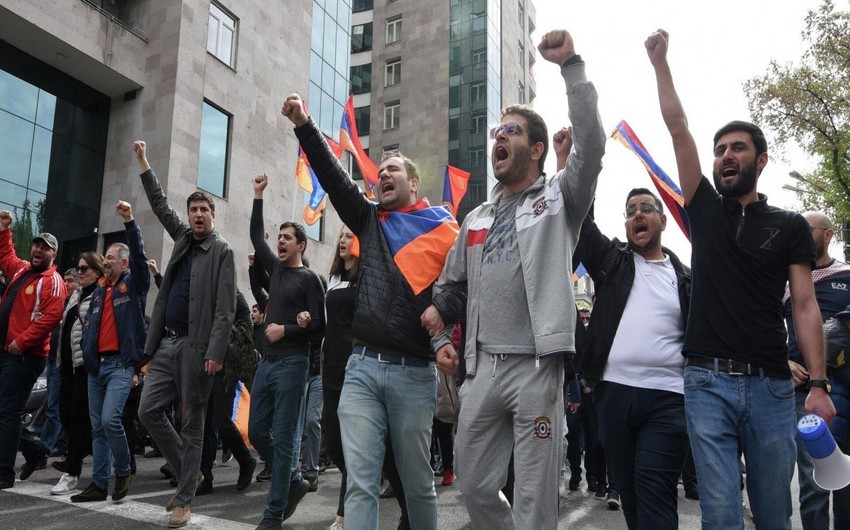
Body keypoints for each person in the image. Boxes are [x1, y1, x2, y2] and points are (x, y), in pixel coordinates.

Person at [646, 29, 836, 529]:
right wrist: (660, 63)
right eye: (720, 150)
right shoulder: (703, 209)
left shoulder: (791, 225)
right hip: (706, 381)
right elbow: (677, 126)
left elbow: (805, 306)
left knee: (775, 512)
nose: (726, 156)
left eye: (737, 148)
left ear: (761, 159)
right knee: (722, 514)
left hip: (773, 388)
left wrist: (818, 384)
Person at [423, 28, 606, 529]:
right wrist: (439, 329)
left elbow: (590, 144)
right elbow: (450, 288)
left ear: (538, 149)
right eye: (496, 133)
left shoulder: (560, 201)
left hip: (537, 369)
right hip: (482, 371)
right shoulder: (476, 217)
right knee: (475, 485)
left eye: (511, 131)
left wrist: (572, 67)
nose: (498, 137)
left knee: (534, 495)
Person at [284, 93, 459, 530]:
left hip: (413, 373)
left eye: (392, 169)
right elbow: (335, 177)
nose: (382, 175)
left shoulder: (445, 230)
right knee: (360, 481)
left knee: (417, 483)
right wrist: (304, 125)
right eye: (379, 172)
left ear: (413, 183)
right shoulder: (369, 220)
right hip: (362, 369)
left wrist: (443, 307)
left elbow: (463, 288)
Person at [573, 185, 691, 529]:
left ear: (663, 221)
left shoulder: (684, 279)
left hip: (668, 400)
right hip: (615, 397)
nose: (637, 214)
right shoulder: (612, 262)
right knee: (631, 494)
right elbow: (581, 222)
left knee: (655, 490)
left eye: (646, 208)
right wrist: (572, 163)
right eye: (630, 211)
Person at [134, 140, 237, 529]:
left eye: (203, 210)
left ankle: (184, 500)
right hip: (167, 343)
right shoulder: (181, 238)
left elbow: (226, 310)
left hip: (197, 350)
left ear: (213, 215)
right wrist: (145, 162)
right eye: (192, 210)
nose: (196, 215)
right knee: (147, 410)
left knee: (193, 423)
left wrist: (215, 351)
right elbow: (160, 204)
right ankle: (188, 471)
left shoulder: (222, 252)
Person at [249, 172, 326, 530]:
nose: (280, 241)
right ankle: (293, 479)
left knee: (284, 439)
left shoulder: (310, 281)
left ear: (301, 245)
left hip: (294, 366)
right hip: (266, 365)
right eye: (278, 237)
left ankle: (274, 512)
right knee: (256, 430)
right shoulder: (276, 272)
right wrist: (258, 194)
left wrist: (291, 328)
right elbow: (254, 235)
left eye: (287, 238)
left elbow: (321, 329)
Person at [72, 201, 150, 503]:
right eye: (105, 258)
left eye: (111, 258)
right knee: (98, 429)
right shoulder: (101, 289)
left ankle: (124, 467)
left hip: (120, 365)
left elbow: (141, 259)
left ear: (124, 264)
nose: (105, 262)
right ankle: (98, 483)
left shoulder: (133, 285)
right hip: (96, 368)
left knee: (110, 420)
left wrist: (129, 221)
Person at [785, 212, 850, 529]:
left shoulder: (847, 276)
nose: (798, 233)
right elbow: (764, 327)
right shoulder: (786, 280)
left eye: (806, 229)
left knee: (846, 481)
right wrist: (784, 361)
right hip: (803, 395)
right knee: (814, 482)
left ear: (828, 235)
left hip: (844, 391)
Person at [0, 216, 66, 490]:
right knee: (5, 412)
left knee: (8, 412)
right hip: (6, 352)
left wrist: (22, 342)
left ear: (53, 254)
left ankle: (4, 473)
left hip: (24, 356)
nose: (39, 250)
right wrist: (5, 229)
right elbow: (6, 255)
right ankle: (35, 451)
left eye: (45, 248)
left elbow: (51, 317)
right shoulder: (22, 271)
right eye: (37, 245)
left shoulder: (54, 281)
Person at [50, 253, 104, 495]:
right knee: (65, 413)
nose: (79, 273)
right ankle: (78, 452)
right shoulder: (76, 295)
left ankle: (72, 472)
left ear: (97, 271)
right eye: (79, 269)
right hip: (68, 365)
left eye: (85, 269)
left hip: (85, 366)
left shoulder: (100, 295)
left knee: (79, 418)